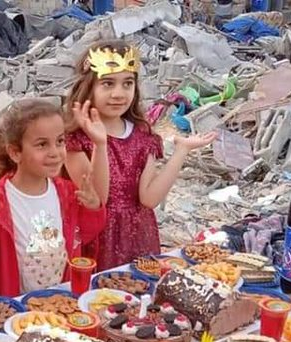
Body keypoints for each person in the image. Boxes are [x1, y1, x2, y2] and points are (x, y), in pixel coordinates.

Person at [64, 40, 218, 271]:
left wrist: (182, 150)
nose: (118, 93)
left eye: (127, 83)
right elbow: (99, 198)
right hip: (94, 237)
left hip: (138, 236)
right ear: (88, 87)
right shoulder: (75, 139)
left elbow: (149, 199)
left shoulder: (142, 136)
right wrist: (100, 143)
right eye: (107, 84)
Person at [0, 99, 106, 296]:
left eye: (60, 141)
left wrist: (93, 207)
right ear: (15, 152)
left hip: (60, 303)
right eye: (42, 144)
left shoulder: (67, 193)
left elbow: (87, 235)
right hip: (14, 310)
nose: (55, 153)